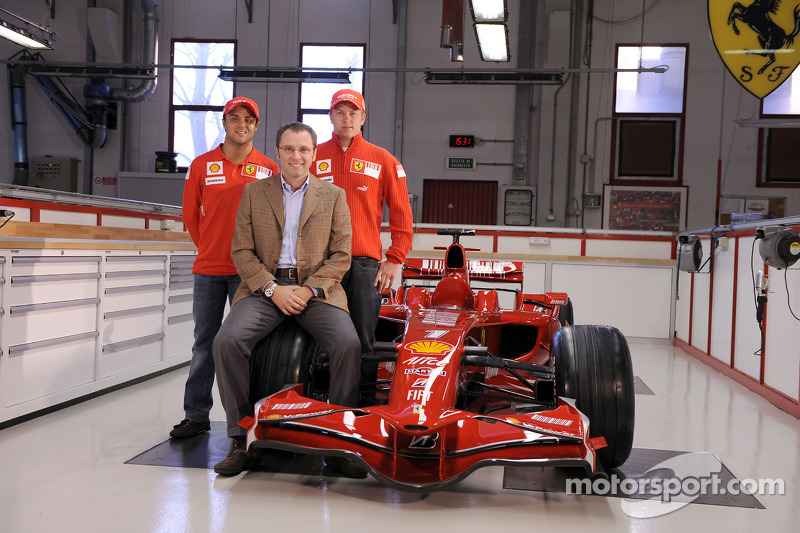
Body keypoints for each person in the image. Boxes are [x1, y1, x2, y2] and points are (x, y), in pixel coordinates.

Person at [211, 122, 362, 476]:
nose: (296, 156)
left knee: (348, 344)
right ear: (277, 152)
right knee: (226, 341)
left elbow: (342, 255)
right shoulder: (254, 193)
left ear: (313, 154)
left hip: (316, 291)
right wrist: (271, 289)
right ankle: (240, 435)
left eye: (304, 149)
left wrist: (309, 289)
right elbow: (242, 251)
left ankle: (339, 441)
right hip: (265, 290)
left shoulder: (334, 196)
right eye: (289, 149)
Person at [171, 97, 279, 439]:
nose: (242, 124)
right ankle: (197, 414)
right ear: (225, 122)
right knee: (205, 342)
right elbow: (190, 215)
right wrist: (211, 248)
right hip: (208, 269)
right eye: (235, 118)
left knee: (249, 344)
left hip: (250, 273)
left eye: (249, 119)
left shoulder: (268, 168)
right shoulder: (202, 165)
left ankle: (251, 417)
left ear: (256, 126)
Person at [313, 89, 413, 395]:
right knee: (318, 337)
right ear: (330, 117)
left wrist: (395, 257)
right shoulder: (312, 156)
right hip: (319, 263)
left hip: (364, 265)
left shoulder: (383, 159)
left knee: (363, 339)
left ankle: (363, 406)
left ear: (363, 118)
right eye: (340, 112)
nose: (346, 118)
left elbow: (401, 214)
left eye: (352, 113)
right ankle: (318, 403)